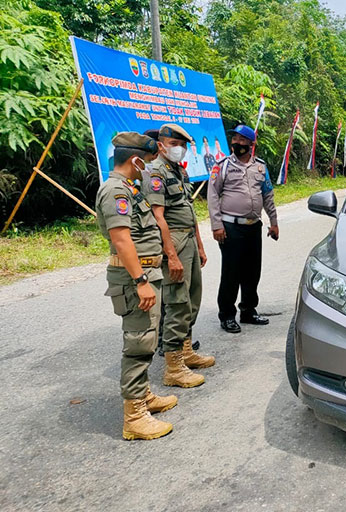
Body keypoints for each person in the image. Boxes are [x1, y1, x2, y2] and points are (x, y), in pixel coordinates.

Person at [96, 131, 175, 441]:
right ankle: (134, 417)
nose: (149, 168)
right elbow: (121, 239)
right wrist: (141, 281)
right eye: (148, 161)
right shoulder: (115, 191)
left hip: (146, 275)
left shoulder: (129, 188)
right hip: (134, 279)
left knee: (146, 338)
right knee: (139, 344)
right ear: (135, 160)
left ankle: (143, 397)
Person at [144, 124, 215, 388]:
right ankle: (173, 366)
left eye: (183, 145)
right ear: (162, 144)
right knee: (177, 301)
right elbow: (157, 217)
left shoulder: (179, 171)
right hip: (173, 242)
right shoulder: (155, 172)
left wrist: (200, 245)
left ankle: (186, 350)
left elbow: (188, 211)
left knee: (192, 297)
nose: (180, 149)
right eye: (176, 144)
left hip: (188, 241)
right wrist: (171, 256)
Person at [208, 124, 279, 333]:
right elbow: (212, 196)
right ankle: (227, 315)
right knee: (231, 273)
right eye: (235, 139)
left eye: (241, 140)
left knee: (252, 272)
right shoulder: (222, 166)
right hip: (231, 227)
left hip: (253, 226)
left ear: (251, 143)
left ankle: (248, 310)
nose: (237, 143)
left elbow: (267, 195)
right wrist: (216, 225)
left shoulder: (260, 167)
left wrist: (273, 222)